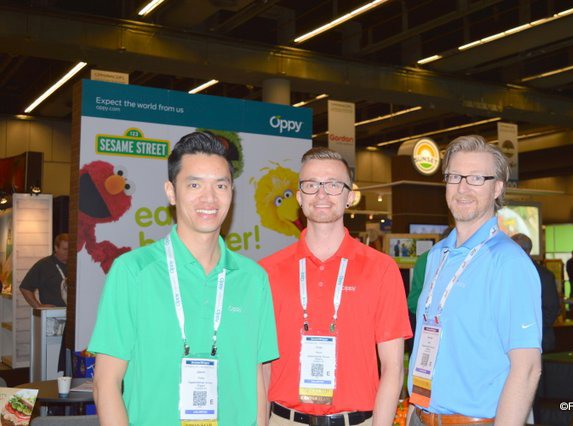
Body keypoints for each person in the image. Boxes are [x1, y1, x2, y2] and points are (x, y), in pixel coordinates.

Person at [89, 131, 279, 425]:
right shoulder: (132, 272)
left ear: (231, 192)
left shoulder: (253, 279)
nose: (209, 198)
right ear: (171, 192)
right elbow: (106, 384)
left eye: (220, 185)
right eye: (194, 184)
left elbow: (256, 378)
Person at [260, 147, 412, 426]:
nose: (321, 194)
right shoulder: (267, 272)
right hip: (284, 419)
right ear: (299, 196)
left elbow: (393, 367)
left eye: (333, 184)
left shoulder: (381, 269)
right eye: (311, 185)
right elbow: (262, 367)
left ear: (350, 196)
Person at [408, 135, 542, 425]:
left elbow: (528, 368)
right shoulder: (437, 256)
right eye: (454, 176)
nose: (462, 187)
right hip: (420, 415)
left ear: (497, 188)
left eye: (477, 178)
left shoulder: (508, 262)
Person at [512, 233, 561, 352]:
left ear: (526, 251)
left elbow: (551, 309)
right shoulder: (505, 273)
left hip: (536, 341)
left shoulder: (544, 276)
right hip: (511, 343)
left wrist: (526, 328)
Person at [20, 233, 68, 308]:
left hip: (76, 312)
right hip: (53, 313)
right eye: (65, 249)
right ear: (56, 248)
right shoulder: (44, 265)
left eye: (71, 249)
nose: (68, 252)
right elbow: (25, 288)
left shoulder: (78, 265)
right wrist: (38, 306)